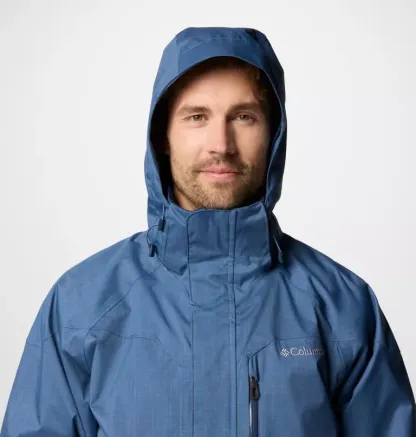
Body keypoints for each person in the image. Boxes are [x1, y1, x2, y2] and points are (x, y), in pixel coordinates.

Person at [1, 26, 415, 437]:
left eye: (244, 117)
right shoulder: (82, 305)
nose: (222, 144)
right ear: (163, 136)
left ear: (273, 135)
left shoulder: (342, 307)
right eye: (197, 117)